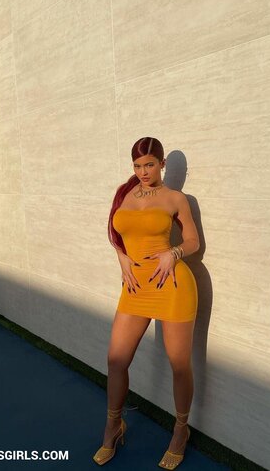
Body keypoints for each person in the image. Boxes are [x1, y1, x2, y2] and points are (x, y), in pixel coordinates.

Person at [93, 137, 200, 469]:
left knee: (179, 365)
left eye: (150, 164)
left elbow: (193, 241)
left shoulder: (176, 198)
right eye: (138, 165)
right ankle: (114, 425)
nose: (143, 171)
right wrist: (121, 257)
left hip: (173, 286)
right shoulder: (124, 193)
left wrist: (174, 252)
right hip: (135, 288)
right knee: (116, 361)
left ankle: (180, 430)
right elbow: (117, 233)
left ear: (162, 164)